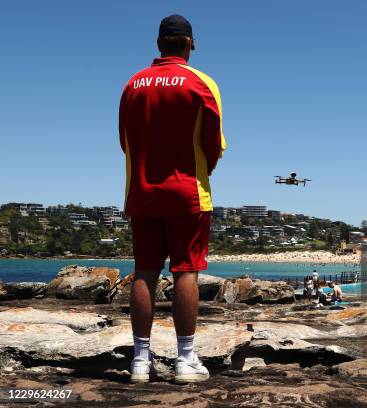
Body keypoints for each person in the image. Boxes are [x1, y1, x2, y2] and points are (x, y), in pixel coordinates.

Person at [119, 14, 226, 384]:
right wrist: (201, 170)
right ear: (190, 43)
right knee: (186, 270)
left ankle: (139, 361)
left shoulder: (133, 84)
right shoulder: (201, 83)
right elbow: (214, 145)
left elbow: (124, 141)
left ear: (158, 43)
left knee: (145, 271)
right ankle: (185, 359)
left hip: (141, 192)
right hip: (187, 192)